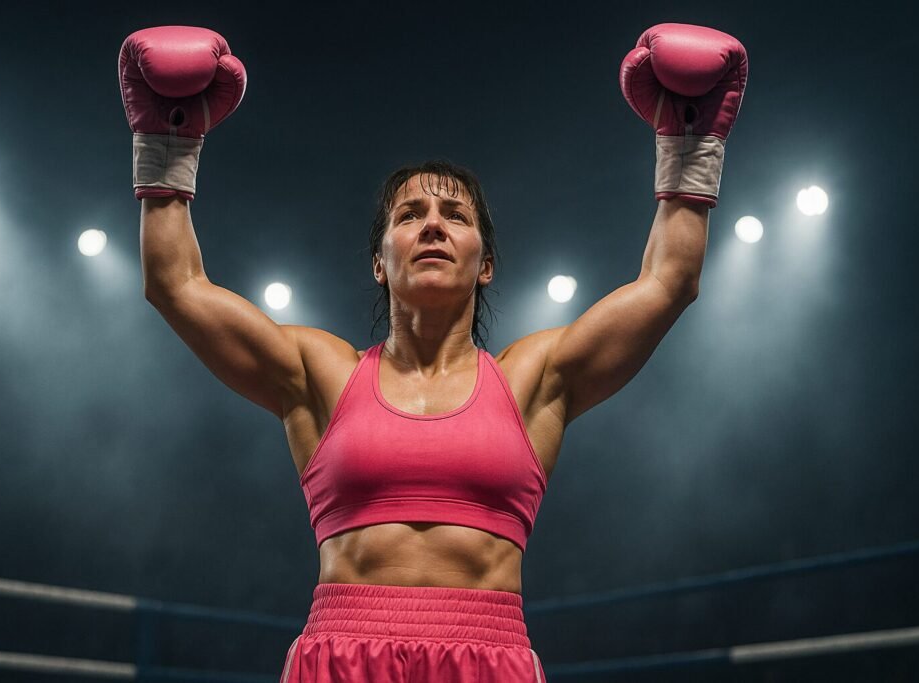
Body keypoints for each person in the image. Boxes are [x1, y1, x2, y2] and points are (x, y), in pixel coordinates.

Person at [119, 22, 747, 682]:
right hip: (344, 656)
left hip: (487, 656)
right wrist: (167, 145)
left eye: (456, 215)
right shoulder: (321, 373)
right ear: (379, 263)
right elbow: (176, 286)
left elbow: (669, 283)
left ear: (486, 264)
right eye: (410, 214)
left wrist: (689, 144)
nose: (433, 226)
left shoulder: (533, 379)